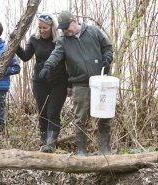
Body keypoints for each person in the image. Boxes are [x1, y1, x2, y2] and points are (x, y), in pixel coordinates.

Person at [39, 10, 113, 156]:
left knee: (105, 115)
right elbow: (56, 54)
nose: (65, 31)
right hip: (80, 83)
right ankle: (82, 151)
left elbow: (107, 47)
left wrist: (107, 59)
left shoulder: (93, 31)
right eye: (63, 29)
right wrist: (48, 66)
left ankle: (105, 150)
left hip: (100, 82)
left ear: (75, 21)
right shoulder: (63, 41)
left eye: (67, 27)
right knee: (80, 118)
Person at [16, 13, 68, 153]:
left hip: (59, 81)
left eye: (44, 27)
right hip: (40, 81)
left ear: (52, 27)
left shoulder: (60, 40)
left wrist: (71, 84)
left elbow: (68, 60)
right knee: (43, 112)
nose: (42, 30)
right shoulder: (34, 39)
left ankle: (51, 144)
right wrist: (15, 45)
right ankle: (45, 142)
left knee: (53, 113)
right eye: (39, 27)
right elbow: (26, 57)